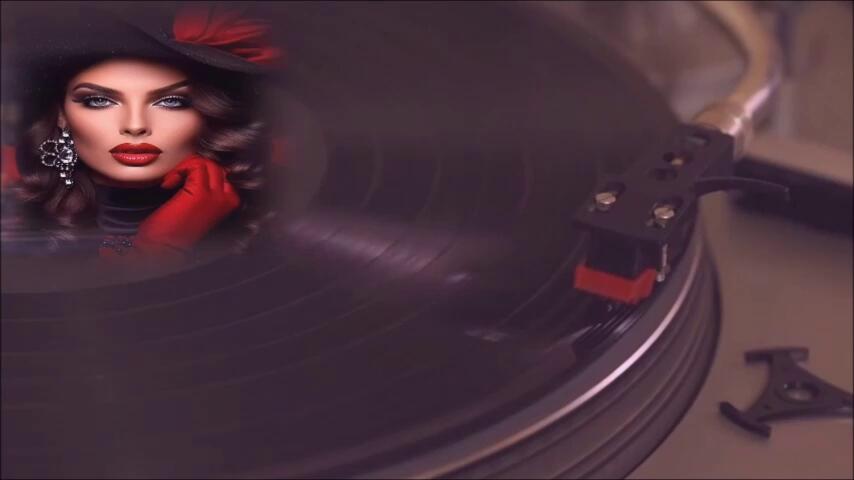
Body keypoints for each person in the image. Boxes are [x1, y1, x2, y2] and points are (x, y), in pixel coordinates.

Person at [1, 3, 285, 268]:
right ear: (61, 115)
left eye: (171, 101)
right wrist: (160, 248)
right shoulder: (14, 226)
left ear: (209, 114)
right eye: (99, 101)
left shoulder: (271, 234)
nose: (135, 126)